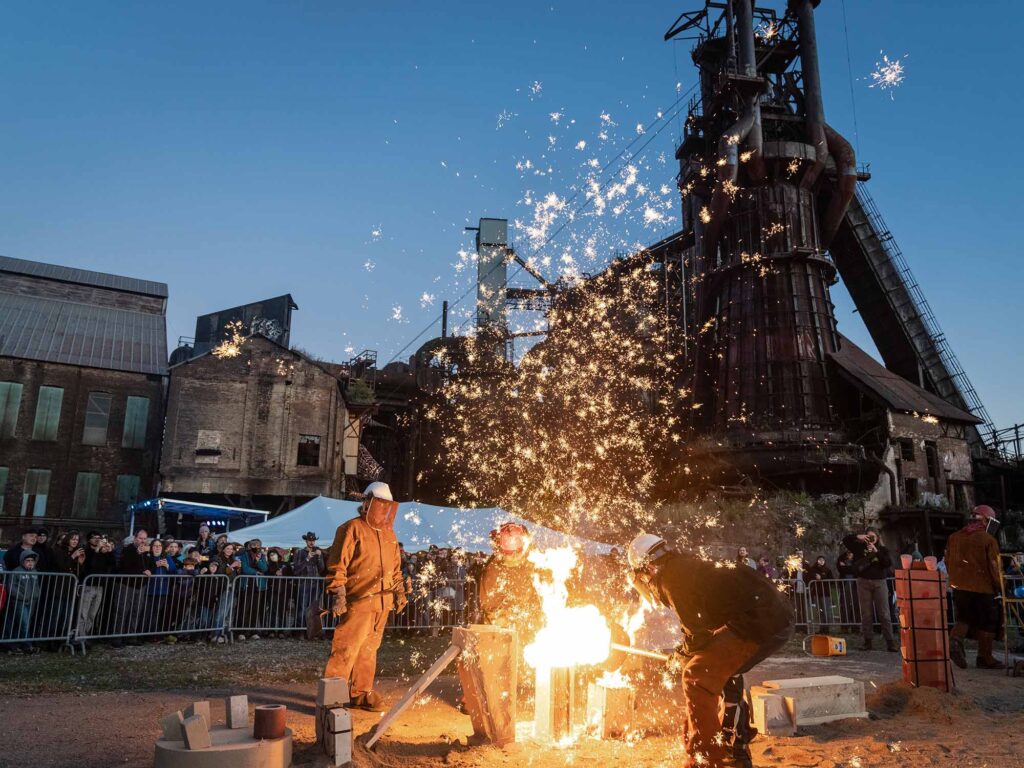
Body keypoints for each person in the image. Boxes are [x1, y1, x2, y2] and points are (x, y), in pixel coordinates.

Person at [627, 534, 794, 768]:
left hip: (760, 620)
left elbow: (697, 636)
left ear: (648, 567)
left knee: (697, 677)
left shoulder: (670, 579)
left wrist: (681, 655)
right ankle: (735, 748)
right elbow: (703, 630)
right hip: (772, 614)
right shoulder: (683, 567)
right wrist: (684, 652)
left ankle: (705, 758)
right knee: (719, 671)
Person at [324, 482, 407, 711]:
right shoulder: (351, 528)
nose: (383, 510)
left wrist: (398, 591)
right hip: (359, 601)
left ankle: (360, 693)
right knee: (346, 650)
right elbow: (337, 565)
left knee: (369, 651)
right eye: (379, 505)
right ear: (367, 502)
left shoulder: (389, 534)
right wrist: (338, 593)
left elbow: (395, 569)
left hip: (382, 603)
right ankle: (332, 696)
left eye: (386, 506)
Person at [944, 505, 1004, 669]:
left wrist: (956, 579)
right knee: (988, 621)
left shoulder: (954, 537)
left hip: (959, 586)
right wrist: (1000, 586)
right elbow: (994, 566)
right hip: (983, 588)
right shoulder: (988, 540)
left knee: (964, 617)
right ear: (986, 521)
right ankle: (985, 657)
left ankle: (955, 640)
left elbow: (947, 561)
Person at [478, 523, 541, 643]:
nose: (516, 557)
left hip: (529, 630)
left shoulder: (531, 563)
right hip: (503, 635)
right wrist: (513, 621)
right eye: (513, 554)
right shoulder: (494, 571)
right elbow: (491, 608)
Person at [842, 528, 897, 652]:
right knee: (866, 614)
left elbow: (887, 563)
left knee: (884, 613)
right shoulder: (859, 548)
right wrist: (858, 536)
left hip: (879, 582)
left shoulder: (882, 550)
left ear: (877, 538)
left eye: (873, 537)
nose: (871, 539)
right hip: (863, 582)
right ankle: (868, 642)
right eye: (868, 537)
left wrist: (876, 551)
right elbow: (845, 540)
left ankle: (890, 642)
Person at [2, 551, 43, 654]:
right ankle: (28, 645)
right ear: (22, 561)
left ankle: (18, 645)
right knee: (24, 623)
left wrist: (36, 595)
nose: (30, 563)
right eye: (27, 560)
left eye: (32, 561)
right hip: (19, 602)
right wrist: (21, 596)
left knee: (25, 624)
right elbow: (11, 586)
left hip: (32, 601)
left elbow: (37, 585)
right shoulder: (16, 571)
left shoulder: (35, 571)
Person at [291, 531, 326, 637]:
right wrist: (307, 559)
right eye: (310, 540)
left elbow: (322, 569)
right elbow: (296, 569)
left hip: (315, 584)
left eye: (313, 540)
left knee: (314, 609)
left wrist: (319, 558)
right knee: (302, 608)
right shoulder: (300, 552)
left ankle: (311, 632)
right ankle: (299, 631)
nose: (312, 542)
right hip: (304, 584)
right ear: (306, 541)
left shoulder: (318, 552)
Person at [237, 539, 269, 641]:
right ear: (250, 546)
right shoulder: (244, 555)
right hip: (246, 585)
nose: (255, 547)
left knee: (255, 609)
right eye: (253, 545)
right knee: (244, 609)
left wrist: (259, 561)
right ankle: (241, 631)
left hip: (258, 586)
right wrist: (256, 572)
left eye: (257, 545)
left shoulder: (262, 556)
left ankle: (253, 631)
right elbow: (245, 569)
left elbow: (264, 569)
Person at [805, 555, 834, 635]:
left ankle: (826, 628)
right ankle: (821, 628)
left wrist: (822, 578)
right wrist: (814, 577)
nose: (821, 561)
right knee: (820, 611)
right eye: (820, 560)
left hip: (825, 593)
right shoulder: (813, 569)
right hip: (816, 593)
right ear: (817, 560)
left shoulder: (828, 570)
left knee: (825, 611)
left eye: (822, 560)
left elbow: (832, 581)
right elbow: (809, 577)